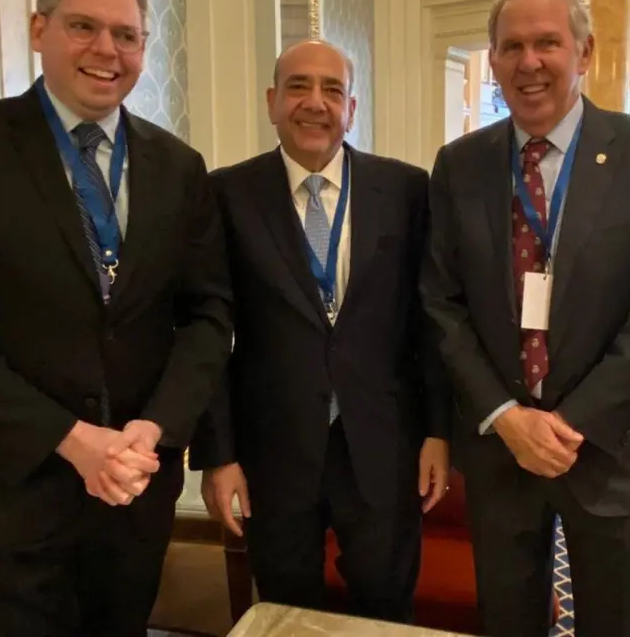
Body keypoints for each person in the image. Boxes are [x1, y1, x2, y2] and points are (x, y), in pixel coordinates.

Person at [0, 0, 233, 636]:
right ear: (39, 28)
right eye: (83, 26)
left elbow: (207, 314)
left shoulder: (179, 166)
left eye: (127, 35)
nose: (106, 50)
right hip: (7, 503)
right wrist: (71, 440)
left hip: (132, 496)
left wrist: (156, 428)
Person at [420, 0, 630, 637]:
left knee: (618, 622)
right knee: (509, 619)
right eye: (511, 46)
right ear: (491, 59)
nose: (529, 62)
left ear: (586, 52)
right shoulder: (459, 164)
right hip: (501, 450)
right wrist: (506, 415)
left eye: (548, 42)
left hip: (612, 447)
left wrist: (572, 420)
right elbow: (441, 302)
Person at [190, 39, 451, 623]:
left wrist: (438, 431)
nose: (315, 102)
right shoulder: (225, 194)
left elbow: (430, 321)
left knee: (385, 612)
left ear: (351, 109)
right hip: (273, 452)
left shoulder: (407, 190)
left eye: (332, 89)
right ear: (272, 102)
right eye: (298, 87)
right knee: (284, 613)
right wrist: (218, 454)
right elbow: (207, 332)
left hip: (385, 447)